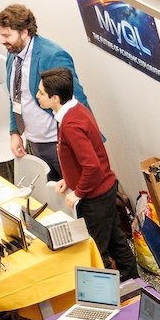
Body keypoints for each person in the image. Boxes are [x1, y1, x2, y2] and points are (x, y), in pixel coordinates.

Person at [36, 67, 136, 279]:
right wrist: (68, 178)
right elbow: (81, 159)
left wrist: (78, 192)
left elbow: (91, 166)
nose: (37, 96)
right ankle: (133, 282)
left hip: (95, 198)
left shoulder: (70, 124)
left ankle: (113, 293)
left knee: (98, 250)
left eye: (41, 93)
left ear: (55, 98)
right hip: (104, 189)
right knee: (116, 240)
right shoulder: (75, 109)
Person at [0, 3, 85, 181]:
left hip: (58, 142)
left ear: (24, 32)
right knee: (53, 195)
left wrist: (79, 142)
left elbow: (77, 100)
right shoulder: (13, 53)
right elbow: (15, 97)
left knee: (77, 195)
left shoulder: (52, 55)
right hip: (34, 141)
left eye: (6, 35)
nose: (1, 40)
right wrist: (15, 132)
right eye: (0, 34)